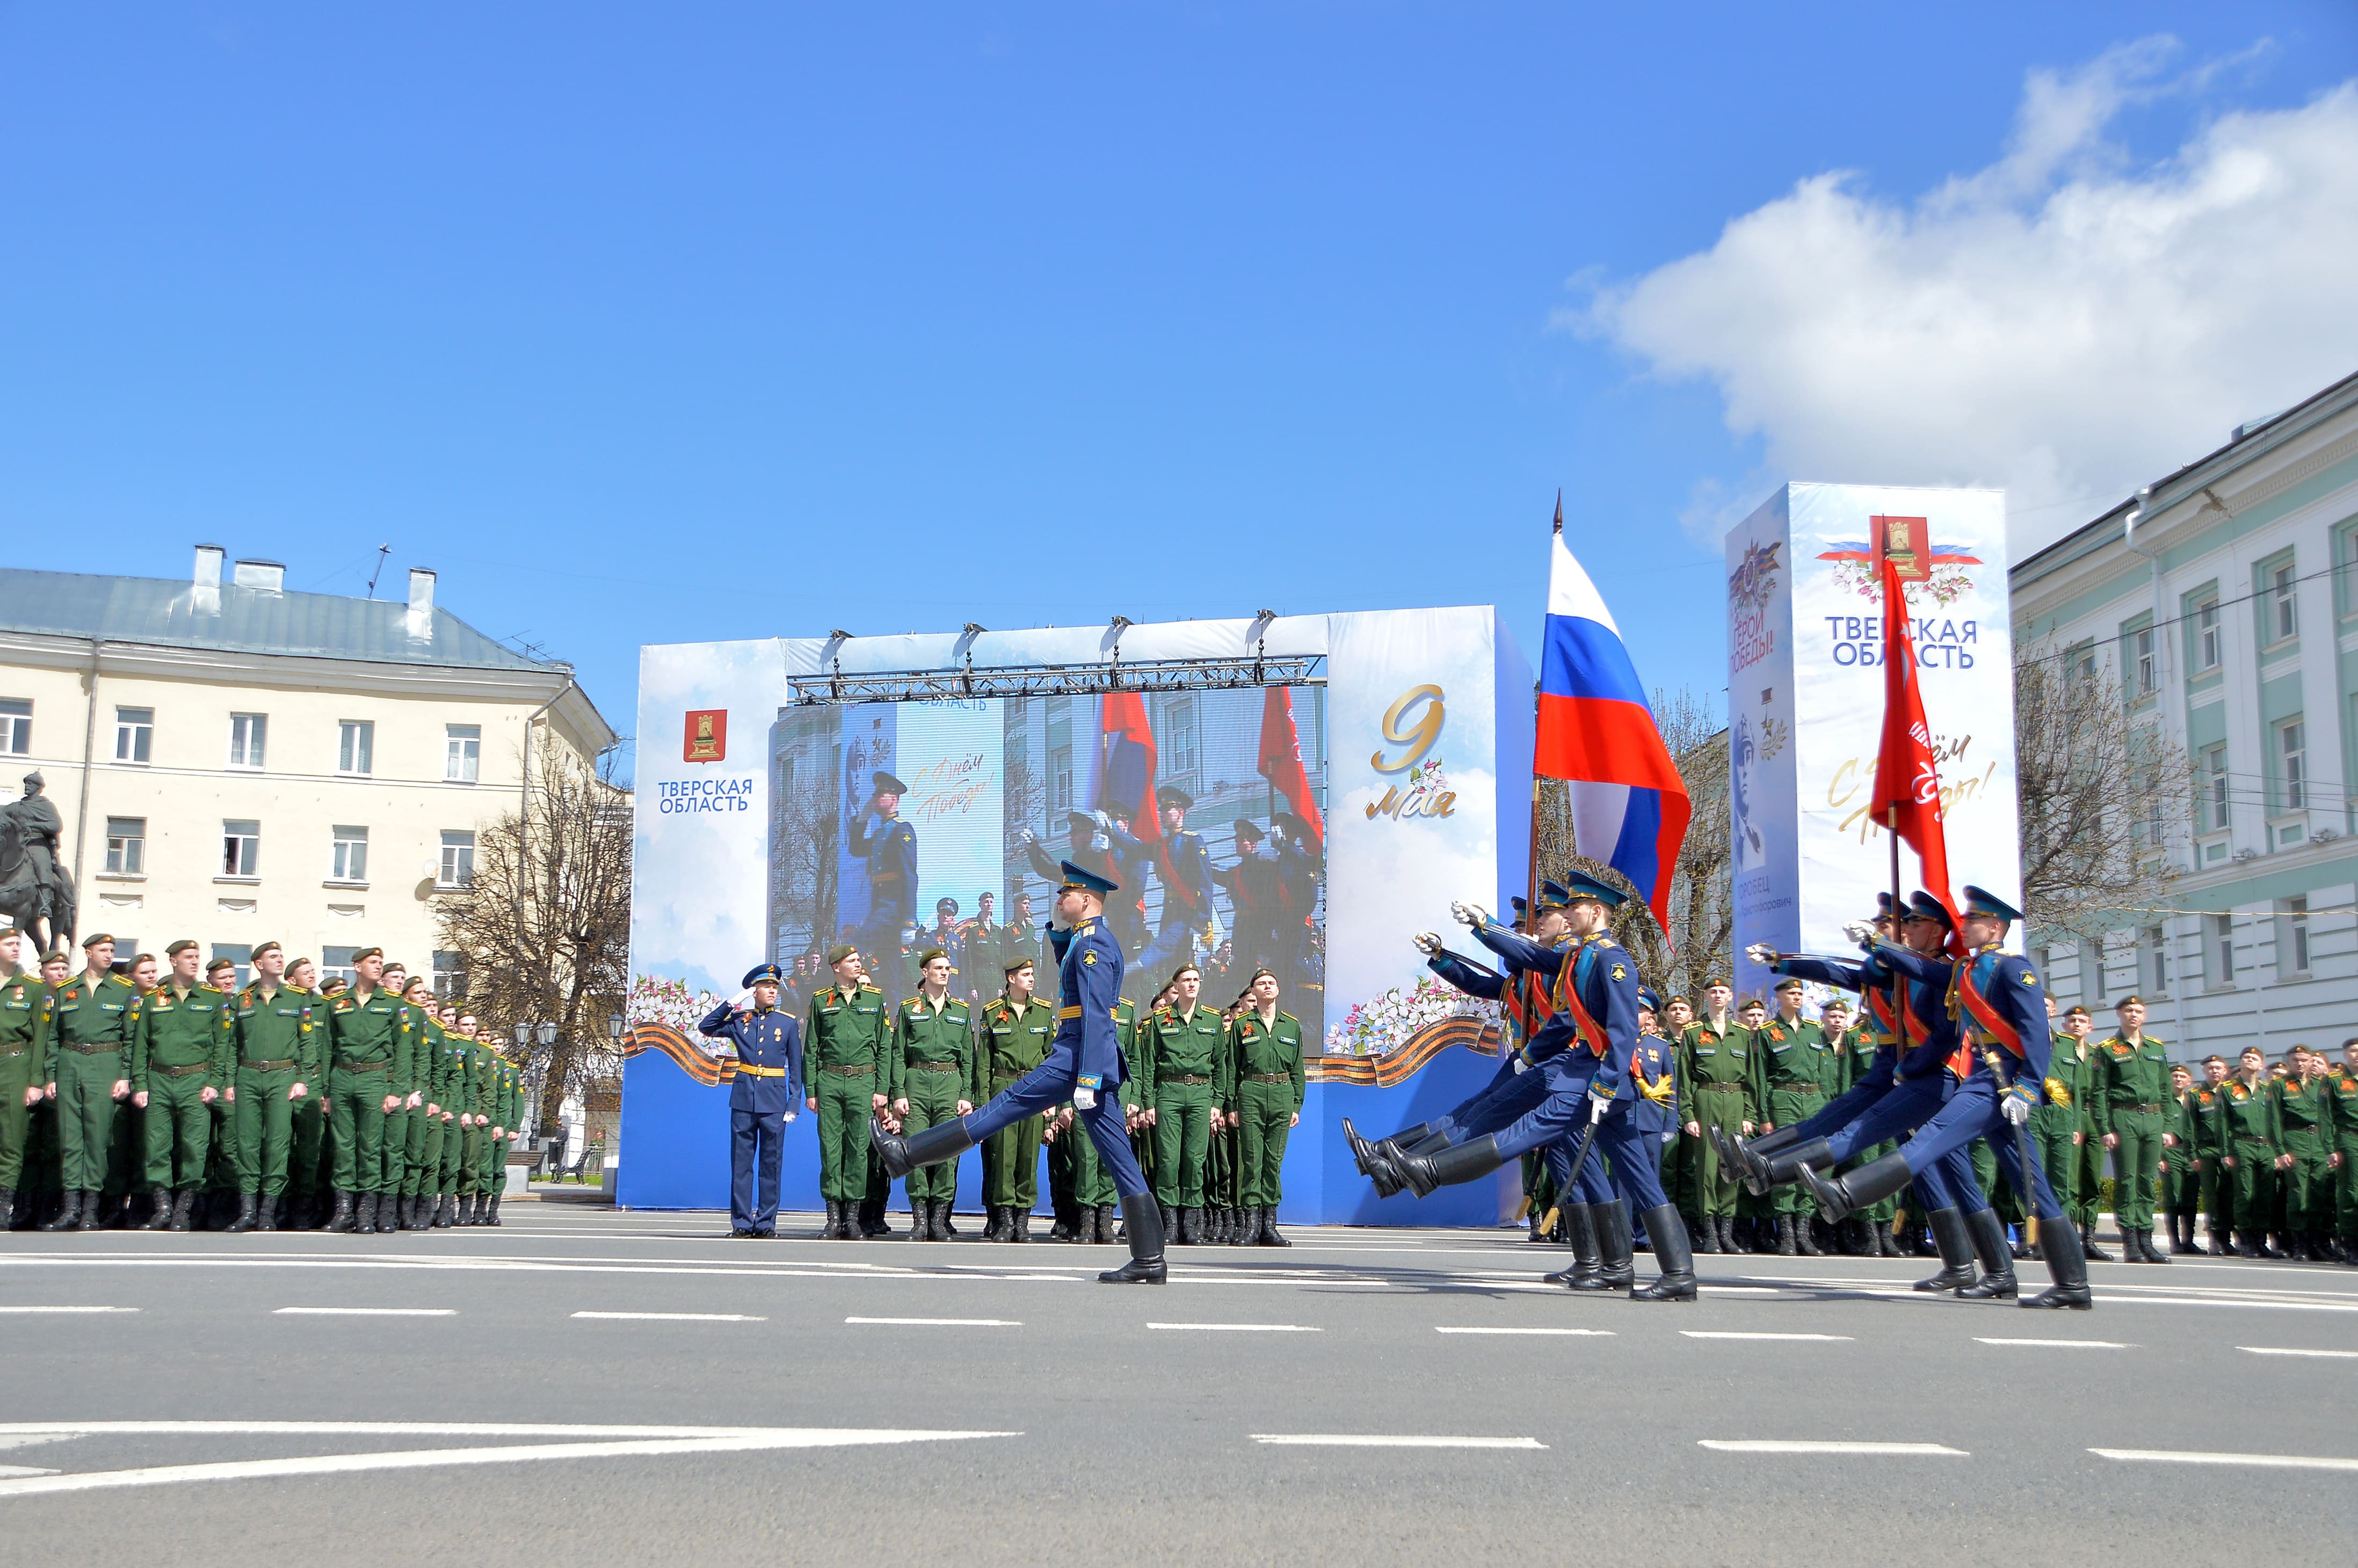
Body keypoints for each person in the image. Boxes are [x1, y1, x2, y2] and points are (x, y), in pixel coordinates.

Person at [871, 860, 1167, 1284]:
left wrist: (1086, 1078)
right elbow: (1076, 988)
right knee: (1120, 1158)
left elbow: (1098, 1014)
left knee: (1002, 1108)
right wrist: (1060, 935)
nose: (1058, 898)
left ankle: (906, 1154)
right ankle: (1150, 1258)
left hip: (1077, 1056)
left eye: (1066, 894)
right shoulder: (1086, 941)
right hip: (1084, 1057)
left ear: (1086, 900)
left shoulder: (1094, 947)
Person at [1801, 885, 2087, 1310]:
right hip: (1986, 1077)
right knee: (2031, 1184)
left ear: (1994, 927)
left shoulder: (2014, 969)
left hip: (2000, 1083)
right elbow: (1923, 970)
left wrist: (2028, 1086)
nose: (1965, 926)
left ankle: (1845, 1194)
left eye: (1972, 921)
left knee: (1930, 1138)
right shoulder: (1968, 971)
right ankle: (2048, 1282)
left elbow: (2035, 1033)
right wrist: (1875, 943)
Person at [128, 940, 234, 1232]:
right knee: (156, 1146)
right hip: (159, 1080)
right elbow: (141, 1046)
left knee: (194, 1147)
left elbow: (222, 1045)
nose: (195, 961)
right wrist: (140, 1084)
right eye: (188, 957)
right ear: (173, 961)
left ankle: (183, 1210)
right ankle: (163, 1209)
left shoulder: (212, 999)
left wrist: (216, 1082)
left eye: (197, 956)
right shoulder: (153, 999)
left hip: (196, 1080)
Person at [36, 933, 138, 1232]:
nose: (109, 955)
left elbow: (131, 1038)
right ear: (88, 953)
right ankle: (71, 1208)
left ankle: (91, 1210)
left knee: (97, 1137)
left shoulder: (124, 989)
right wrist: (50, 1076)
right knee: (70, 1138)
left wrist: (126, 1076)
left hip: (106, 1063)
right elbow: (53, 1036)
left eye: (112, 950)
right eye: (103, 950)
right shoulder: (66, 989)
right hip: (70, 1061)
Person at [695, 963, 805, 1238]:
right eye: (766, 986)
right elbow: (706, 1026)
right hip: (744, 1101)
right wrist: (731, 1003)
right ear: (753, 991)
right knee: (741, 1166)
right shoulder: (739, 1020)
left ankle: (766, 1223)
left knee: (771, 1165)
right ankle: (742, 1223)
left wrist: (794, 1102)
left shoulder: (787, 1023)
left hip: (775, 1102)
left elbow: (796, 1066)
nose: (772, 990)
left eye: (775, 987)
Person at [323, 948, 415, 1236]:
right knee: (343, 1146)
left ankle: (367, 1212)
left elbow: (403, 1051)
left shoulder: (392, 1003)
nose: (379, 967)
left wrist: (396, 1090)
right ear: (357, 966)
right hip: (342, 1077)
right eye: (373, 963)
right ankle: (344, 1211)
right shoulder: (337, 1003)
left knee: (370, 1147)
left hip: (375, 1078)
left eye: (380, 963)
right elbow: (326, 1047)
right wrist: (326, 1091)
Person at [803, 943, 889, 1240]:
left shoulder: (875, 1000)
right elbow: (811, 1048)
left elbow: (883, 1048)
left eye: (858, 959)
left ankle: (853, 1219)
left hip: (863, 1082)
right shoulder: (820, 1001)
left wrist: (881, 1089)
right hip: (829, 1080)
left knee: (858, 1149)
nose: (857, 964)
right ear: (836, 967)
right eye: (851, 961)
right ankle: (832, 1218)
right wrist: (811, 1090)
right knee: (830, 1148)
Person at [887, 948, 972, 1242]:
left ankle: (939, 1219)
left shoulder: (961, 1011)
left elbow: (968, 1059)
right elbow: (898, 1055)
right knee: (915, 1151)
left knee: (948, 1154)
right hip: (917, 1083)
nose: (944, 973)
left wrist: (966, 1094)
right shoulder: (910, 1009)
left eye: (947, 968)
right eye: (938, 968)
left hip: (950, 1084)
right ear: (925, 973)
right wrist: (898, 1093)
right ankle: (920, 1219)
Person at [1138, 962, 1224, 1244]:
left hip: (1201, 1093)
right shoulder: (1161, 1020)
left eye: (1196, 979)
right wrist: (1149, 1102)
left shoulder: (1212, 1020)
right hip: (1169, 1092)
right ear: (1176, 986)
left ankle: (1191, 1222)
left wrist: (1218, 1102)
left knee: (1195, 1159)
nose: (1192, 984)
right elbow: (1149, 1063)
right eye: (1186, 980)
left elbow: (1220, 1064)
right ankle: (1170, 1223)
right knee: (1169, 1159)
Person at [975, 956, 1055, 1240]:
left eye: (1032, 974)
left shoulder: (1044, 1012)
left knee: (1028, 1155)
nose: (1032, 979)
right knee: (1004, 1156)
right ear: (1011, 979)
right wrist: (983, 1103)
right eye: (1026, 974)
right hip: (1003, 1087)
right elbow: (984, 1061)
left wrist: (1052, 1099)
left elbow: (1050, 1057)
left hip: (1034, 1088)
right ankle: (1005, 1219)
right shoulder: (992, 1012)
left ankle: (1023, 1220)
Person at [2089, 996, 2173, 1262]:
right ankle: (2130, 1241)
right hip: (2123, 1117)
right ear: (2119, 1014)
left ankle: (2146, 1237)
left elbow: (2166, 1091)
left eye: (2138, 1011)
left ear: (2144, 1016)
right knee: (2127, 1179)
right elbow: (2099, 1092)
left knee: (2148, 1180)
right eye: (2128, 1011)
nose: (2133, 1015)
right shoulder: (2109, 1049)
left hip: (2153, 1117)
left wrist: (2168, 1126)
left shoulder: (2156, 1048)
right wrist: (2104, 1127)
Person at [1226, 966, 1305, 1246]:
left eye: (1272, 983)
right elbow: (1232, 1068)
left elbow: (1298, 1070)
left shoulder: (1291, 1026)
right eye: (1262, 983)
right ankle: (1250, 1226)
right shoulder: (1242, 1025)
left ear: (1278, 990)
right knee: (1251, 1159)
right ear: (1254, 992)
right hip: (1251, 1092)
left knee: (1273, 1161)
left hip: (1282, 1094)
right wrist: (1231, 1105)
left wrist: (1296, 1104)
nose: (1268, 987)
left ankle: (1269, 1226)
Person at [1677, 978, 1755, 1254]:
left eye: (1723, 992)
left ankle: (1727, 1232)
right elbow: (1684, 1078)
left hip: (1735, 1100)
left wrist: (1750, 1114)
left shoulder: (1742, 1033)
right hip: (1706, 1099)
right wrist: (1688, 1114)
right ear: (1706, 996)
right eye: (1713, 992)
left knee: (1734, 1166)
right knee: (1708, 1168)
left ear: (1730, 997)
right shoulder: (1694, 1032)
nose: (1718, 995)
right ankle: (1710, 1231)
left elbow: (1752, 1079)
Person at [1755, 977, 1830, 1255]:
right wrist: (1764, 1115)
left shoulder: (1814, 1030)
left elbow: (1824, 1074)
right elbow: (1760, 1077)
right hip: (1783, 1100)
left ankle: (1804, 1232)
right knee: (1785, 1164)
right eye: (1793, 993)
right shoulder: (1768, 1032)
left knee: (1812, 1164)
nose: (1798, 997)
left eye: (1801, 993)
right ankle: (1786, 1234)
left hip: (1814, 1100)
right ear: (1781, 996)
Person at [2274, 1046, 2334, 1261]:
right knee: (2298, 1194)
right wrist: (2280, 1151)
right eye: (2295, 1060)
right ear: (2289, 1061)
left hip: (2319, 1142)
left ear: (2311, 1061)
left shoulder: (2323, 1085)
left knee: (2318, 1193)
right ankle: (2298, 1245)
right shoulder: (2280, 1085)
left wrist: (2331, 1148)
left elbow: (2329, 1118)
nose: (2300, 1063)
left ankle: (2316, 1243)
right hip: (2294, 1140)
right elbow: (2274, 1120)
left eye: (2304, 1060)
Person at [0, 926, 39, 1229]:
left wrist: (36, 1081)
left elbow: (41, 1039)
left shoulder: (32, 988)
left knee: (12, 1139)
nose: (16, 948)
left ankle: (3, 1205)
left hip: (15, 1063)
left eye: (18, 943)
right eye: (9, 943)